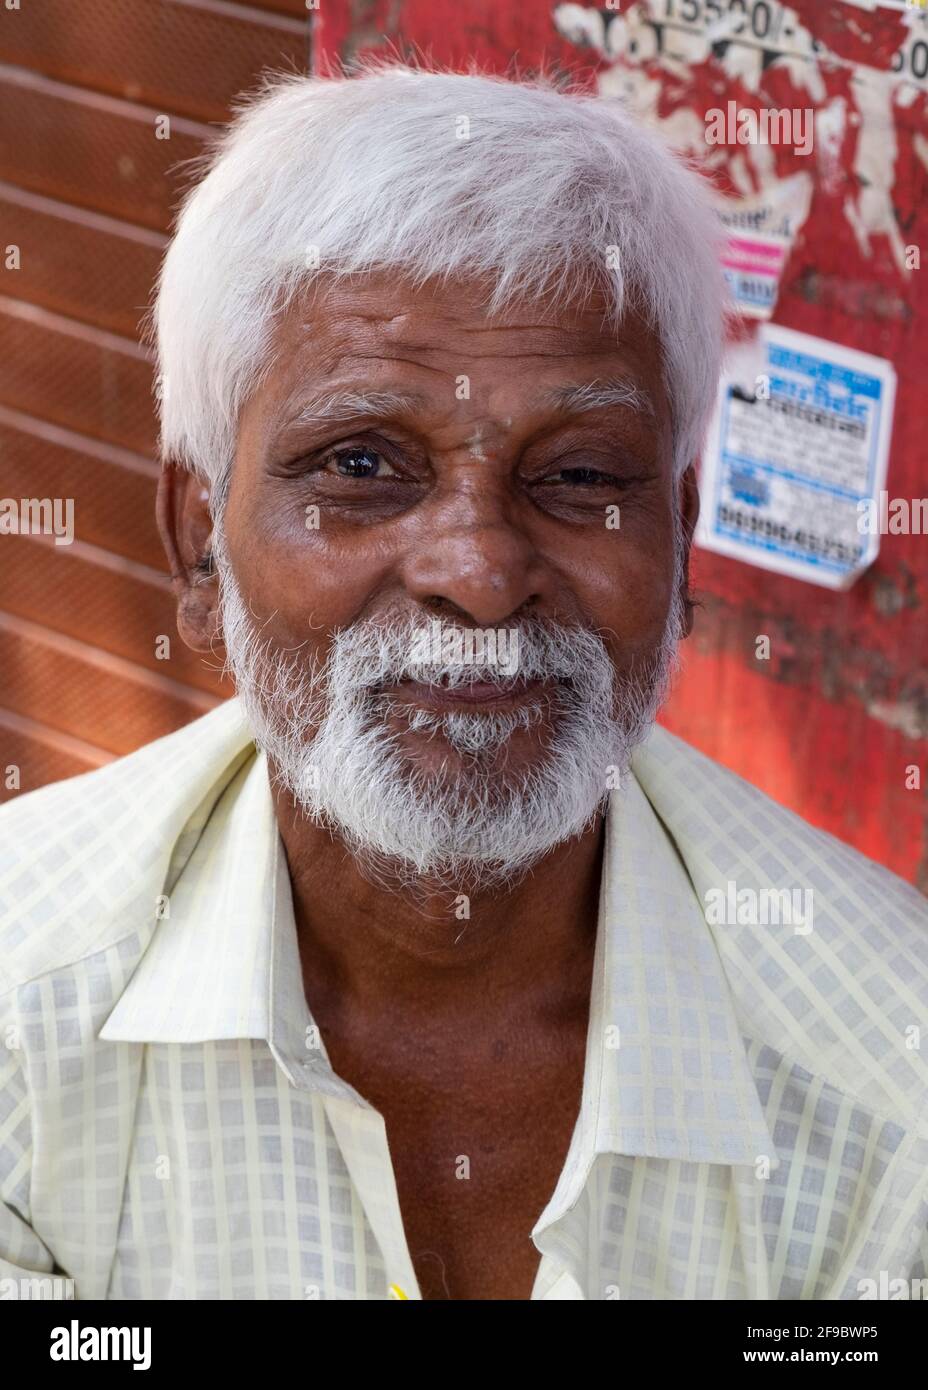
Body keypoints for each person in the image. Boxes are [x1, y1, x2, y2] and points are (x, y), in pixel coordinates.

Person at [1, 65, 926, 1302]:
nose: (481, 573)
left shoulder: (890, 1082)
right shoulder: (23, 1013)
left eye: (579, 473)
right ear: (198, 542)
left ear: (682, 544)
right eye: (362, 461)